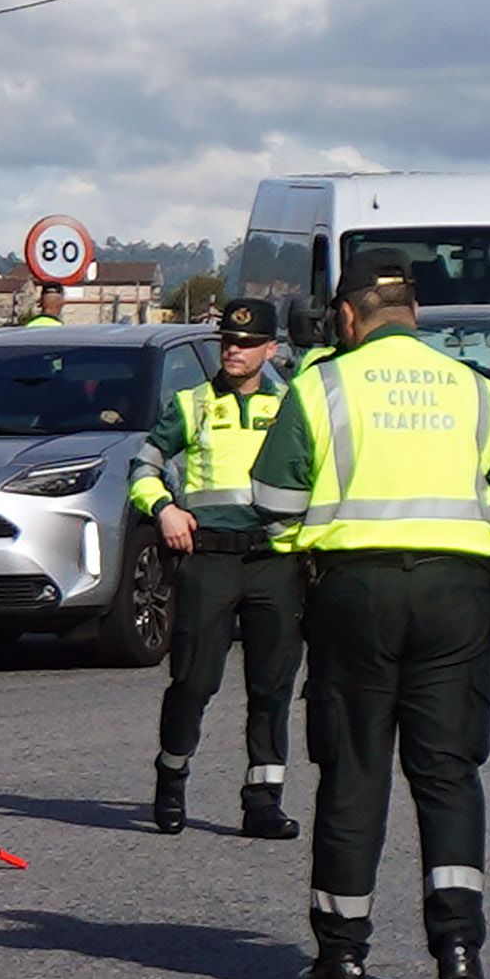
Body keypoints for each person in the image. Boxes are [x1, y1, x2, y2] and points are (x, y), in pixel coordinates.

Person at [249, 247, 490, 979]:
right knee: (446, 772)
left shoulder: (321, 386)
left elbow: (273, 501)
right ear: (415, 312)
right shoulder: (476, 390)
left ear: (346, 316)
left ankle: (341, 957)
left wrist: (310, 535)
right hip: (457, 593)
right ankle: (458, 953)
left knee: (353, 768)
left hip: (354, 591)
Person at [129, 297, 302, 840]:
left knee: (272, 686)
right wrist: (164, 509)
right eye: (228, 341)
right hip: (208, 559)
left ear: (271, 350)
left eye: (248, 344)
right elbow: (144, 467)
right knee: (194, 680)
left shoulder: (295, 406)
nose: (235, 350)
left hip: (275, 559)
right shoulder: (193, 403)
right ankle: (172, 775)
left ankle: (263, 799)